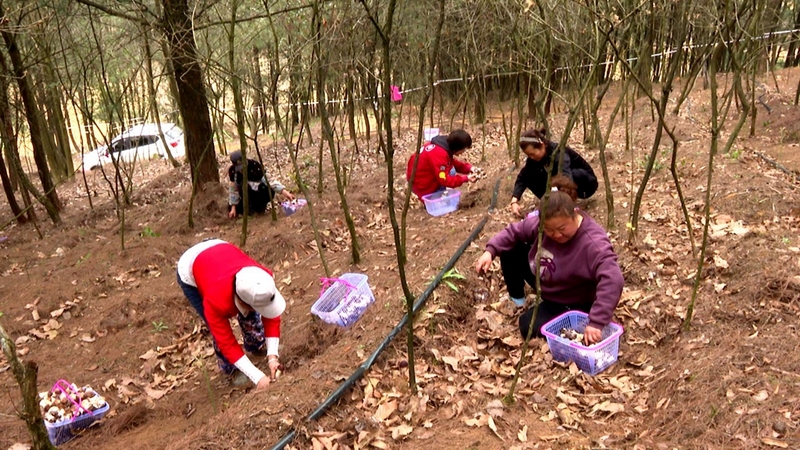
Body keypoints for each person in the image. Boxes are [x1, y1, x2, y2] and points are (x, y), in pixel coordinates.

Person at [475, 175, 623, 345]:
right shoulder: (541, 225)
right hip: (548, 278)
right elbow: (514, 231)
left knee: (527, 325)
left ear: (574, 214)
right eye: (549, 230)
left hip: (573, 298)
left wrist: (597, 321)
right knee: (510, 249)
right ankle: (517, 300)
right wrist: (490, 251)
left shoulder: (593, 242)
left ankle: (570, 328)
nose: (556, 235)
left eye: (561, 229)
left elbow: (613, 279)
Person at [177, 239, 286, 389]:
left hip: (219, 250)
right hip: (190, 268)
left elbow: (271, 313)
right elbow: (225, 340)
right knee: (216, 328)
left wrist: (272, 356)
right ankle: (231, 368)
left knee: (252, 311)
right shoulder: (215, 302)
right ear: (243, 303)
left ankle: (256, 345)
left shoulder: (261, 279)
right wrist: (257, 376)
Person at [510, 128, 598, 218]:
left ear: (542, 145)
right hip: (558, 183)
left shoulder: (560, 154)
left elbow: (566, 179)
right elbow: (523, 177)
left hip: (585, 186)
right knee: (529, 175)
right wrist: (514, 201)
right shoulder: (533, 160)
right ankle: (549, 202)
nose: (531, 157)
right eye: (529, 155)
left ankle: (565, 204)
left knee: (573, 175)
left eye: (533, 154)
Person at [406, 129, 478, 200]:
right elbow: (444, 179)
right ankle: (431, 197)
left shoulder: (442, 146)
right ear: (457, 147)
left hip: (420, 178)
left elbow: (451, 162)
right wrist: (465, 178)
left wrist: (469, 168)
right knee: (442, 202)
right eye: (463, 149)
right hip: (421, 184)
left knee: (451, 171)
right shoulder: (439, 154)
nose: (463, 152)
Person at [228, 150, 295, 218]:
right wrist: (233, 207)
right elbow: (233, 189)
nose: (241, 170)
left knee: (267, 189)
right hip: (245, 196)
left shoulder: (255, 165)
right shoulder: (233, 171)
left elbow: (269, 180)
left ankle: (260, 208)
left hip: (259, 193)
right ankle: (249, 212)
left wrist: (284, 192)